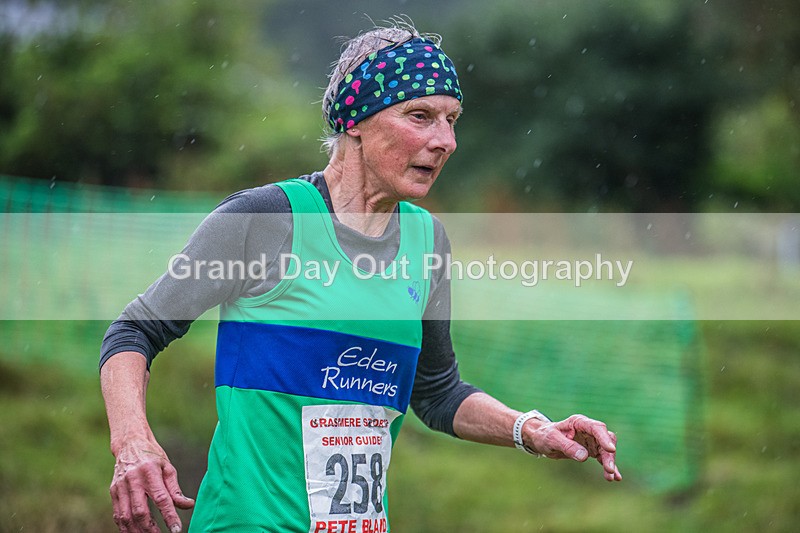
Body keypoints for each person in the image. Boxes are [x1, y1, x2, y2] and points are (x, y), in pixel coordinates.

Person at [100, 21, 622, 533]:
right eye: (420, 116)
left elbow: (437, 392)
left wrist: (530, 429)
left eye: (452, 120)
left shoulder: (427, 241)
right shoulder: (267, 221)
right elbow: (134, 331)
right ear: (355, 120)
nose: (445, 141)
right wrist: (133, 442)